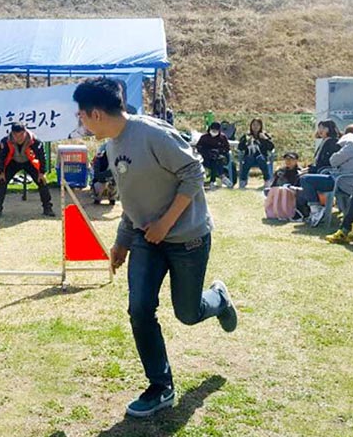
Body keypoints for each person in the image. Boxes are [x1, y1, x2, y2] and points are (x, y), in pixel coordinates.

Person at [72, 77, 237, 418]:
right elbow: (134, 201)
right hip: (146, 242)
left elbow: (194, 172)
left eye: (82, 116)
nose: (81, 123)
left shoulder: (153, 134)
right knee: (140, 309)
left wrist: (166, 223)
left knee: (187, 314)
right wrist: (121, 243)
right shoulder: (113, 144)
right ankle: (161, 386)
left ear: (97, 113)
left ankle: (218, 299)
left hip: (187, 240)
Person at [0, 123, 55, 218]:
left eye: (21, 135)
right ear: (12, 133)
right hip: (13, 162)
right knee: (2, 181)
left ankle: (47, 208)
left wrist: (42, 173)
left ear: (25, 132)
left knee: (42, 182)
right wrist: (1, 172)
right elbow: (1, 157)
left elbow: (42, 157)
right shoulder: (5, 141)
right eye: (16, 135)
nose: (19, 138)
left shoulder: (35, 141)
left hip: (29, 162)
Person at [237, 118, 275, 188]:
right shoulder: (247, 135)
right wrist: (246, 142)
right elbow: (240, 147)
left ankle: (267, 180)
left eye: (258, 125)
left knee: (261, 159)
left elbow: (271, 147)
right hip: (249, 156)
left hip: (261, 157)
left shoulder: (264, 135)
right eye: (254, 125)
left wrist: (265, 139)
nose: (255, 127)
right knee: (248, 159)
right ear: (251, 126)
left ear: (261, 126)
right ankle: (243, 180)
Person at [196, 122, 233, 187]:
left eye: (216, 130)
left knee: (216, 160)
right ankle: (221, 176)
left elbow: (227, 148)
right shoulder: (204, 137)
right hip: (206, 158)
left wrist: (218, 151)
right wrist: (208, 152)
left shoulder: (222, 137)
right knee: (214, 161)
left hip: (219, 157)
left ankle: (213, 181)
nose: (214, 131)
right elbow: (199, 147)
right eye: (213, 130)